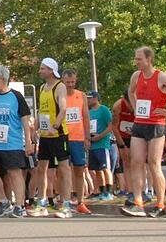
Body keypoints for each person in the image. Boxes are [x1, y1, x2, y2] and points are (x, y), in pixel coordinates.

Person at [121, 46, 166, 218]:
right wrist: (136, 104)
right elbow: (131, 92)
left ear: (148, 59)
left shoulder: (160, 76)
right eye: (135, 58)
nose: (136, 61)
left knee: (154, 163)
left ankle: (160, 204)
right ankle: (138, 202)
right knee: (136, 161)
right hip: (139, 123)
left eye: (139, 59)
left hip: (156, 124)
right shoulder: (135, 76)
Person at [0, 65, 32, 218]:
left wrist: (28, 140)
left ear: (3, 80)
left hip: (12, 142)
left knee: (14, 173)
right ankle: (4, 202)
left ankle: (19, 205)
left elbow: (25, 119)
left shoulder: (16, 96)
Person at [31, 57, 73, 219]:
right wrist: (35, 128)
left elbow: (63, 107)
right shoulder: (42, 88)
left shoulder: (59, 86)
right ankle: (42, 203)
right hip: (45, 135)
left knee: (63, 168)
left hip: (59, 134)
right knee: (41, 168)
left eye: (42, 68)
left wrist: (56, 123)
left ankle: (66, 204)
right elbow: (41, 110)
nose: (40, 71)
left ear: (50, 70)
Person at [60, 69, 92, 214]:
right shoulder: (59, 94)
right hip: (62, 137)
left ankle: (80, 201)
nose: (70, 85)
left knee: (79, 170)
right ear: (63, 81)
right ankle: (64, 200)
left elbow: (85, 116)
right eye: (68, 82)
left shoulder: (81, 96)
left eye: (73, 82)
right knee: (63, 171)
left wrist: (87, 137)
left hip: (78, 138)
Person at [87, 91, 114, 201]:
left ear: (95, 98)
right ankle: (101, 191)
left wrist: (100, 136)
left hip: (102, 144)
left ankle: (109, 191)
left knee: (105, 168)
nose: (87, 100)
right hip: (92, 144)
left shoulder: (104, 109)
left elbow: (111, 125)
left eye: (89, 98)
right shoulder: (88, 112)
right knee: (97, 169)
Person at [112, 90, 135, 195]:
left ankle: (144, 189)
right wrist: (122, 145)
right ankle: (130, 190)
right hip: (123, 136)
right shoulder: (118, 106)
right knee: (126, 162)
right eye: (129, 102)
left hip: (137, 136)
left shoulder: (140, 104)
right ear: (125, 100)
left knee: (138, 162)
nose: (131, 106)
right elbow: (114, 127)